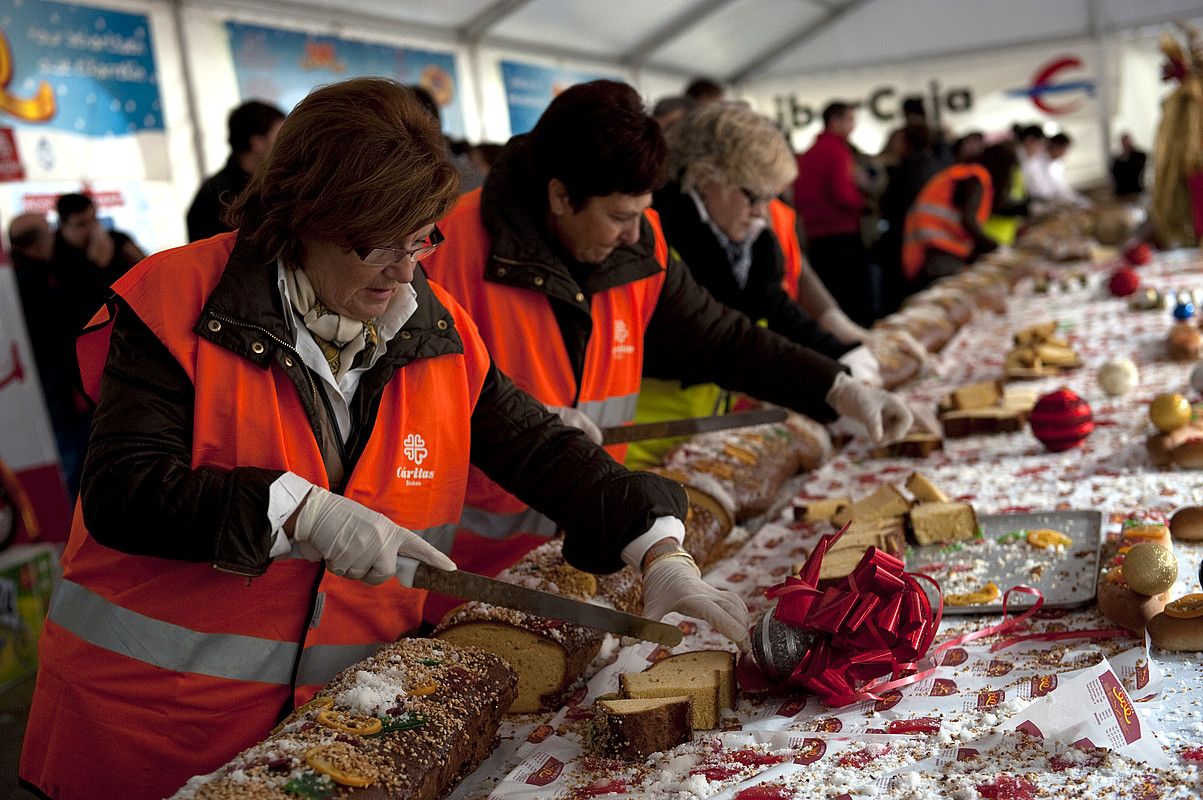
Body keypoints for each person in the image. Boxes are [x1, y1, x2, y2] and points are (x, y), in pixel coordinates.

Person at [20, 78, 747, 800]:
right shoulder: (177, 302)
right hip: (147, 737)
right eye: (378, 244)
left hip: (337, 737)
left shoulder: (428, 320)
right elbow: (123, 490)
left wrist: (652, 542)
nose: (404, 270)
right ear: (302, 217)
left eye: (421, 239)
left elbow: (538, 446)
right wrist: (293, 510)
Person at [421, 81, 913, 608]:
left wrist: (835, 387)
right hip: (464, 576)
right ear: (560, 195)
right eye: (618, 216)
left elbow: (723, 339)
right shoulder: (444, 250)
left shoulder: (640, 240)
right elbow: (415, 417)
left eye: (641, 211)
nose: (635, 233)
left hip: (593, 546)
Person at [9, 213, 91, 497]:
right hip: (58, 392)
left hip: (49, 391)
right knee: (70, 463)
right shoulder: (37, 283)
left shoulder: (19, 280)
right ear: (36, 244)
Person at [793, 102, 875, 325]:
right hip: (843, 235)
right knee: (855, 302)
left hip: (817, 237)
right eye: (849, 120)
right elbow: (843, 194)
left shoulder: (809, 152)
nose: (853, 126)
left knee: (831, 300)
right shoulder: (836, 151)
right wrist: (865, 205)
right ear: (834, 121)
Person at [901, 145, 1007, 288]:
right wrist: (996, 247)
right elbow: (968, 220)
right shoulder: (977, 176)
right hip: (936, 250)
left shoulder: (969, 172)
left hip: (936, 248)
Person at [186, 100, 285, 242]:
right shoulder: (215, 195)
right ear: (257, 143)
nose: (286, 144)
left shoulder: (280, 183)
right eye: (280, 137)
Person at [52, 193, 146, 322]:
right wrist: (95, 267)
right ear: (63, 225)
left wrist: (140, 263)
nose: (92, 229)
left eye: (94, 220)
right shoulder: (53, 255)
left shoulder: (118, 241)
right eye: (81, 224)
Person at [1043, 132, 1090, 207]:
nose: (1064, 153)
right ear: (1056, 146)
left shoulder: (1057, 165)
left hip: (1060, 202)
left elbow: (1063, 189)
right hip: (1048, 204)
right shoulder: (1039, 163)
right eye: (1064, 149)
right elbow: (1046, 192)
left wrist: (1077, 200)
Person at [1111, 133, 1147, 198]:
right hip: (1122, 192)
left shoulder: (1139, 156)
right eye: (1123, 143)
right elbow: (1115, 174)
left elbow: (1135, 171)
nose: (1125, 145)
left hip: (1135, 189)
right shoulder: (1118, 159)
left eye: (1127, 142)